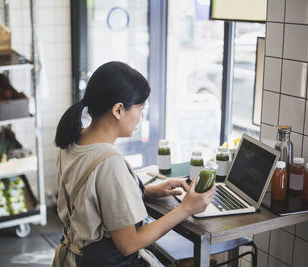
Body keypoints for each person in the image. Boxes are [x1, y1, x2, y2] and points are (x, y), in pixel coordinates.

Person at [53, 61, 215, 267]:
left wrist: (147, 191)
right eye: (140, 108)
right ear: (118, 110)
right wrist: (186, 209)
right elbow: (129, 243)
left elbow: (92, 199)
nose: (142, 116)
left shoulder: (73, 140)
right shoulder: (110, 163)